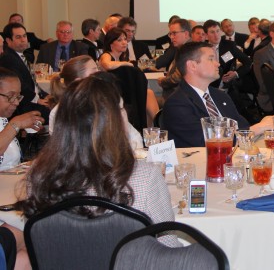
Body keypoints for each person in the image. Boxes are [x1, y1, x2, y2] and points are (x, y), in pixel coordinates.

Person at [15, 76, 179, 246]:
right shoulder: (145, 176)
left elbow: (39, 242)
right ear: (114, 120)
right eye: (121, 108)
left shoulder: (39, 175)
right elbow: (167, 244)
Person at [162, 42, 250, 148]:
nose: (218, 64)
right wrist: (253, 131)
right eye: (211, 59)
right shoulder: (177, 104)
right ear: (192, 65)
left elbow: (242, 125)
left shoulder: (220, 96)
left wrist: (249, 131)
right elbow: (205, 141)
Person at [48, 56, 143, 149]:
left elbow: (132, 135)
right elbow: (62, 148)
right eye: (94, 70)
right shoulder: (60, 112)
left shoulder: (107, 101)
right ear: (79, 81)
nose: (99, 72)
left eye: (97, 68)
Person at [0, 68, 43, 269]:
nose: (16, 102)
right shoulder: (10, 123)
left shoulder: (4, 121)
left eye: (18, 96)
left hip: (9, 191)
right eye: (10, 97)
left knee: (27, 256)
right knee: (38, 232)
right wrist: (15, 125)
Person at [0, 23, 50, 116]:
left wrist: (45, 95)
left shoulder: (19, 55)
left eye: (24, 36)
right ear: (8, 40)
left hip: (32, 100)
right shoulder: (8, 58)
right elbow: (20, 85)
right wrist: (38, 99)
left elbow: (32, 82)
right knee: (59, 113)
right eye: (18, 37)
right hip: (23, 105)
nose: (23, 40)